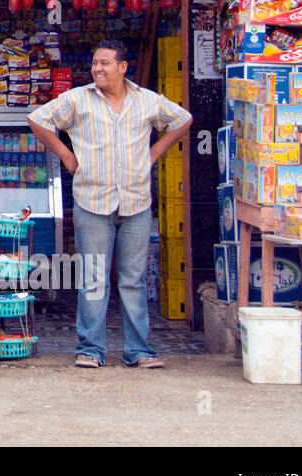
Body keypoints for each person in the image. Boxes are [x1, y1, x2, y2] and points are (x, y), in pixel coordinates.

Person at [27, 39, 192, 369]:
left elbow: (182, 119)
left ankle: (139, 350)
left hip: (136, 202)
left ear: (122, 67)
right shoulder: (78, 99)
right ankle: (90, 348)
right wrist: (66, 156)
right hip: (92, 201)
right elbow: (38, 119)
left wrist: (155, 153)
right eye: (94, 63)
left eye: (104, 63)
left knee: (132, 278)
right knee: (94, 277)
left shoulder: (146, 101)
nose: (97, 68)